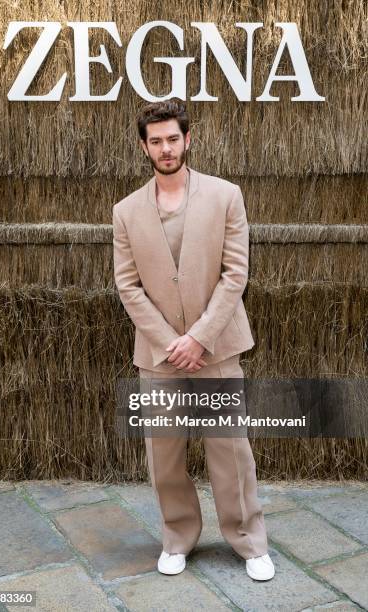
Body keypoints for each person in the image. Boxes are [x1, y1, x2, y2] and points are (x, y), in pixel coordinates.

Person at [112, 98, 275, 581]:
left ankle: (249, 541)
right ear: (145, 146)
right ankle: (178, 537)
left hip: (218, 348)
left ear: (188, 139)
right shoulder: (124, 212)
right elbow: (128, 285)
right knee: (164, 453)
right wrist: (170, 342)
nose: (166, 148)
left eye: (173, 138)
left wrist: (199, 338)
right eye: (156, 141)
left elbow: (235, 274)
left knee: (231, 450)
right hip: (159, 356)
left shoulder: (226, 196)